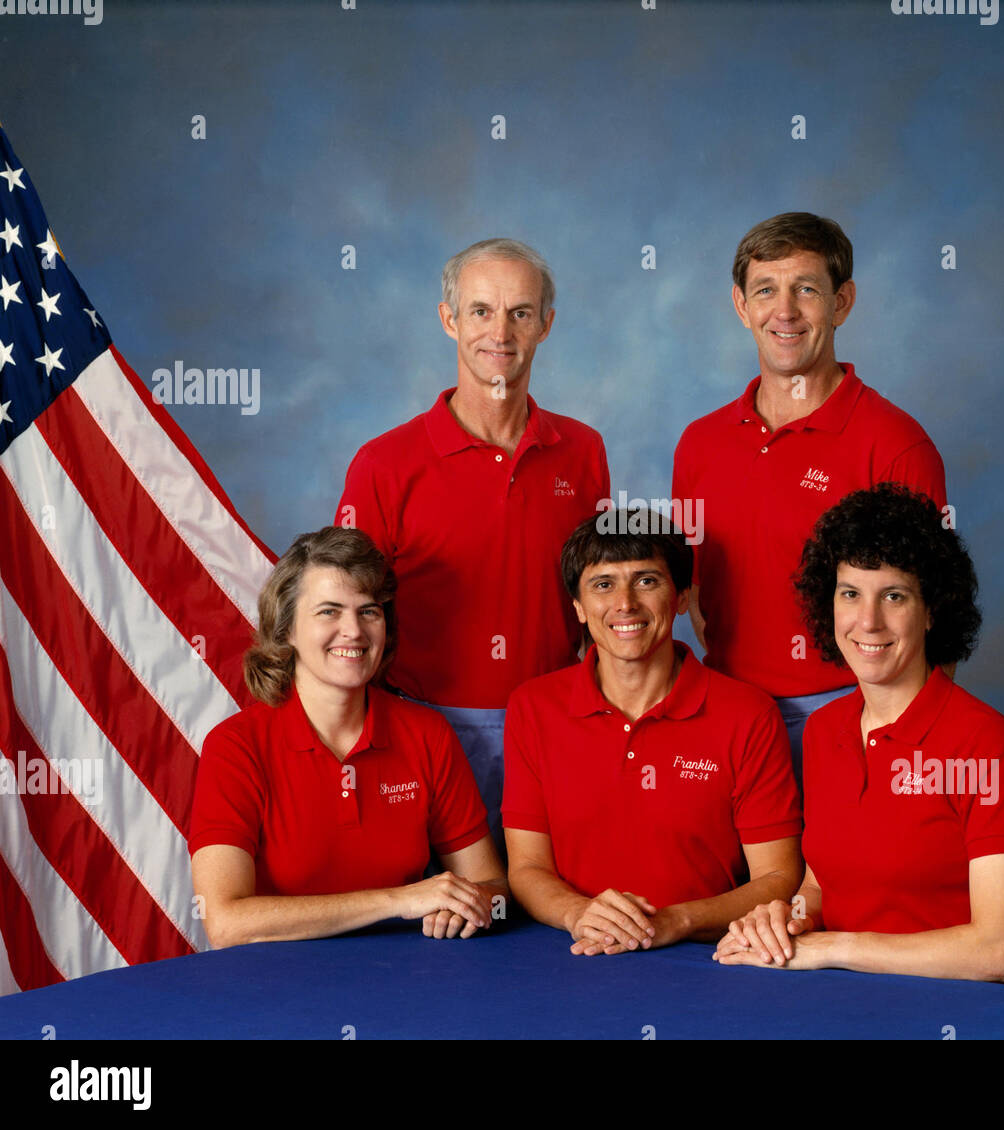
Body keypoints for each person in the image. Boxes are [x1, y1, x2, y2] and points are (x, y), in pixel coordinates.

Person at [336, 238, 609, 848]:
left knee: (550, 917)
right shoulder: (384, 464)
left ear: (546, 325)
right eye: (481, 311)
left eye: (520, 312)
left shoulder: (584, 451)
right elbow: (347, 614)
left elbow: (597, 594)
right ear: (449, 319)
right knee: (438, 922)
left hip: (555, 727)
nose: (501, 332)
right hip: (424, 732)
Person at [714, 485, 1004, 982]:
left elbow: (999, 952)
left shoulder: (987, 746)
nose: (868, 621)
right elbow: (822, 884)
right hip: (840, 1006)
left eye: (894, 596)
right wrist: (786, 921)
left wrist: (832, 949)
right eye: (850, 594)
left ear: (931, 610)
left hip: (961, 1017)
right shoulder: (826, 731)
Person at [672, 213, 947, 772]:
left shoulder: (895, 446)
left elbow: (931, 616)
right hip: (727, 718)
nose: (786, 311)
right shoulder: (700, 444)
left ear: (842, 302)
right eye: (766, 290)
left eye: (806, 290)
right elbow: (696, 590)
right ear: (741, 305)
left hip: (852, 717)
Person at [189, 527, 506, 948]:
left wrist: (469, 902)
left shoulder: (426, 734)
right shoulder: (236, 747)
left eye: (369, 611)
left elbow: (493, 885)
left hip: (409, 976)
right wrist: (398, 900)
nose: (353, 631)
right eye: (329, 612)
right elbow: (226, 923)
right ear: (286, 631)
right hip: (278, 988)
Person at [503, 511, 803, 955]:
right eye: (603, 584)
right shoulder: (533, 708)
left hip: (709, 956)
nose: (625, 603)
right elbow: (527, 867)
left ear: (681, 597)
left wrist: (675, 921)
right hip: (574, 955)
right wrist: (576, 913)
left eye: (647, 581)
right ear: (579, 607)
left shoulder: (749, 714)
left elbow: (778, 878)